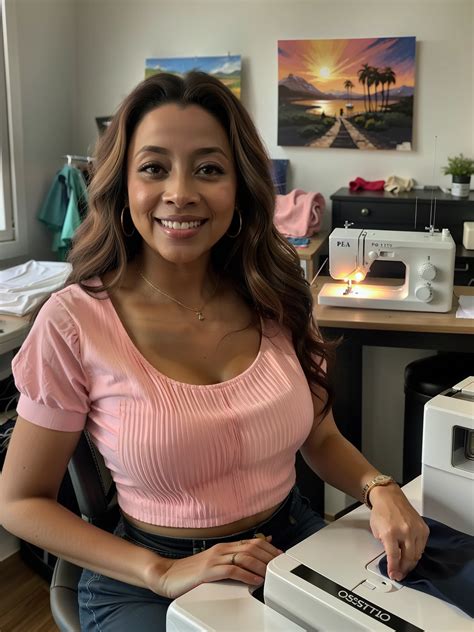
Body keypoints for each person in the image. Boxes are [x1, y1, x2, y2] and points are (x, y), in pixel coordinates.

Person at [0, 72, 428, 631]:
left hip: (287, 542)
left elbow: (319, 437)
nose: (181, 192)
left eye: (208, 168)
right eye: (154, 167)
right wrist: (160, 572)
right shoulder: (73, 322)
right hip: (148, 577)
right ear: (122, 185)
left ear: (240, 186)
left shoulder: (277, 299)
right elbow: (21, 502)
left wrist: (380, 488)